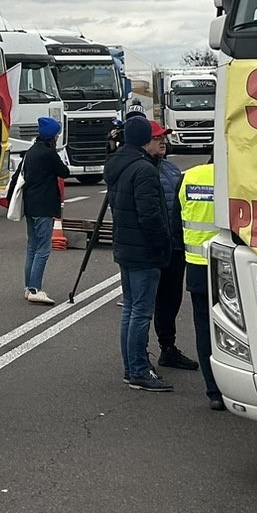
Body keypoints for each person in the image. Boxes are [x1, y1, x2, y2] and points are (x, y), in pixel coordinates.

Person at [105, 113, 173, 392]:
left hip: (125, 245)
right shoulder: (143, 169)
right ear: (146, 139)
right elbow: (150, 214)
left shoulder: (118, 164)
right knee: (141, 311)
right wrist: (163, 243)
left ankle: (131, 366)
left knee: (131, 310)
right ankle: (137, 369)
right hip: (144, 249)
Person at [150, 125, 198, 373]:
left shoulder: (170, 169)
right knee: (146, 304)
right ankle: (139, 358)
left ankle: (168, 348)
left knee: (171, 300)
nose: (163, 142)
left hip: (176, 247)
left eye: (164, 138)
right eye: (157, 138)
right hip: (154, 249)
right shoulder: (141, 170)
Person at [178, 160, 225, 410]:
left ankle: (214, 391)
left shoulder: (190, 175)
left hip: (195, 263)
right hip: (229, 267)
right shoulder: (237, 174)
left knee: (204, 327)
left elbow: (180, 212)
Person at [17, 116, 70, 306]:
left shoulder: (31, 151)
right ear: (52, 137)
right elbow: (64, 172)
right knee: (43, 249)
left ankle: (28, 286)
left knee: (32, 246)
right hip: (44, 205)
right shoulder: (48, 154)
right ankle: (35, 289)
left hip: (31, 204)